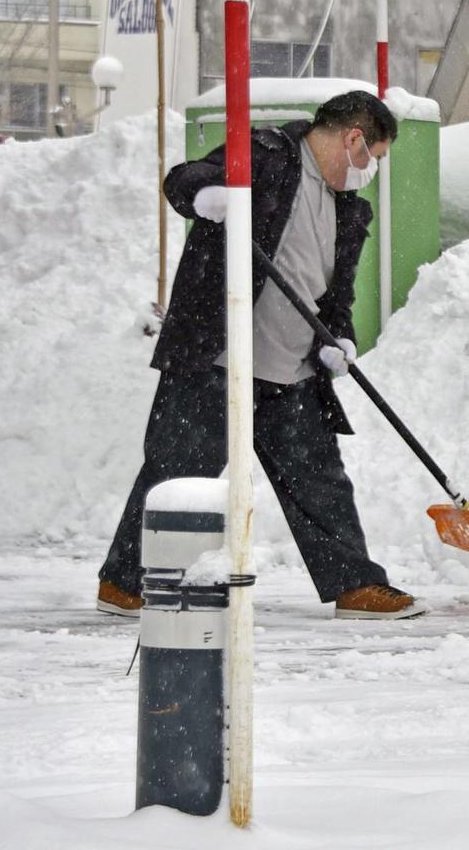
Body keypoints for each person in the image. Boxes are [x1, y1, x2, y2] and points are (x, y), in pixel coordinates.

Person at [97, 90, 424, 620]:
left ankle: (355, 583)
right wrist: (208, 195)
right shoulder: (267, 153)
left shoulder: (348, 208)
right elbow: (184, 178)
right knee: (179, 471)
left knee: (320, 479)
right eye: (375, 158)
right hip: (216, 356)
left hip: (290, 369)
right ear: (354, 139)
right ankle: (125, 583)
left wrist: (337, 339)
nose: (372, 172)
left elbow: (335, 293)